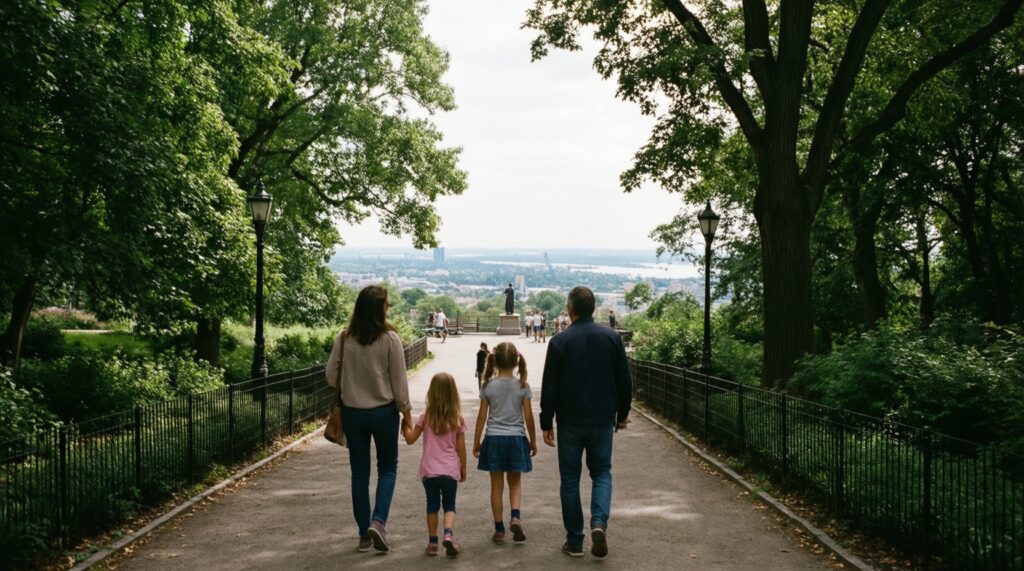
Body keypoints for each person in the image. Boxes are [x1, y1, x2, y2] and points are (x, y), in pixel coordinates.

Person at [540, 286, 632, 559]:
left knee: (570, 479)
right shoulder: (612, 338)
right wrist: (623, 412)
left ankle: (575, 541)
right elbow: (624, 380)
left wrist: (546, 422)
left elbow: (550, 388)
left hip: (570, 420)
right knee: (602, 473)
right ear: (593, 309)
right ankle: (599, 523)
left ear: (570, 309)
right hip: (602, 417)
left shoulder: (559, 342)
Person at [326, 284, 413, 554]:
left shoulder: (344, 338)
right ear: (379, 308)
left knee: (359, 475)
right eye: (386, 303)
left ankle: (364, 535)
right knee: (388, 468)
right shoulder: (390, 339)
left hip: (353, 413)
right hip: (384, 412)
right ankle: (379, 521)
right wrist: (407, 414)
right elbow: (399, 382)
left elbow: (331, 376)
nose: (388, 307)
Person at [473, 342, 537, 545]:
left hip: (494, 438)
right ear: (517, 361)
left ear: (495, 360)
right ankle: (516, 516)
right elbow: (528, 417)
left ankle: (499, 529)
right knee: (515, 482)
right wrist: (533, 440)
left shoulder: (488, 386)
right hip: (516, 438)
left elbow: (482, 417)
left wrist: (476, 441)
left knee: (496, 486)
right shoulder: (522, 386)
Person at [404, 372, 468, 557]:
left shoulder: (425, 418)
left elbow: (409, 440)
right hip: (449, 470)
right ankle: (448, 534)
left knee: (432, 506)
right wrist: (463, 468)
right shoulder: (457, 419)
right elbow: (461, 449)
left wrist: (406, 425)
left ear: (431, 393)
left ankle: (432, 543)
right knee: (449, 505)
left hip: (429, 471)